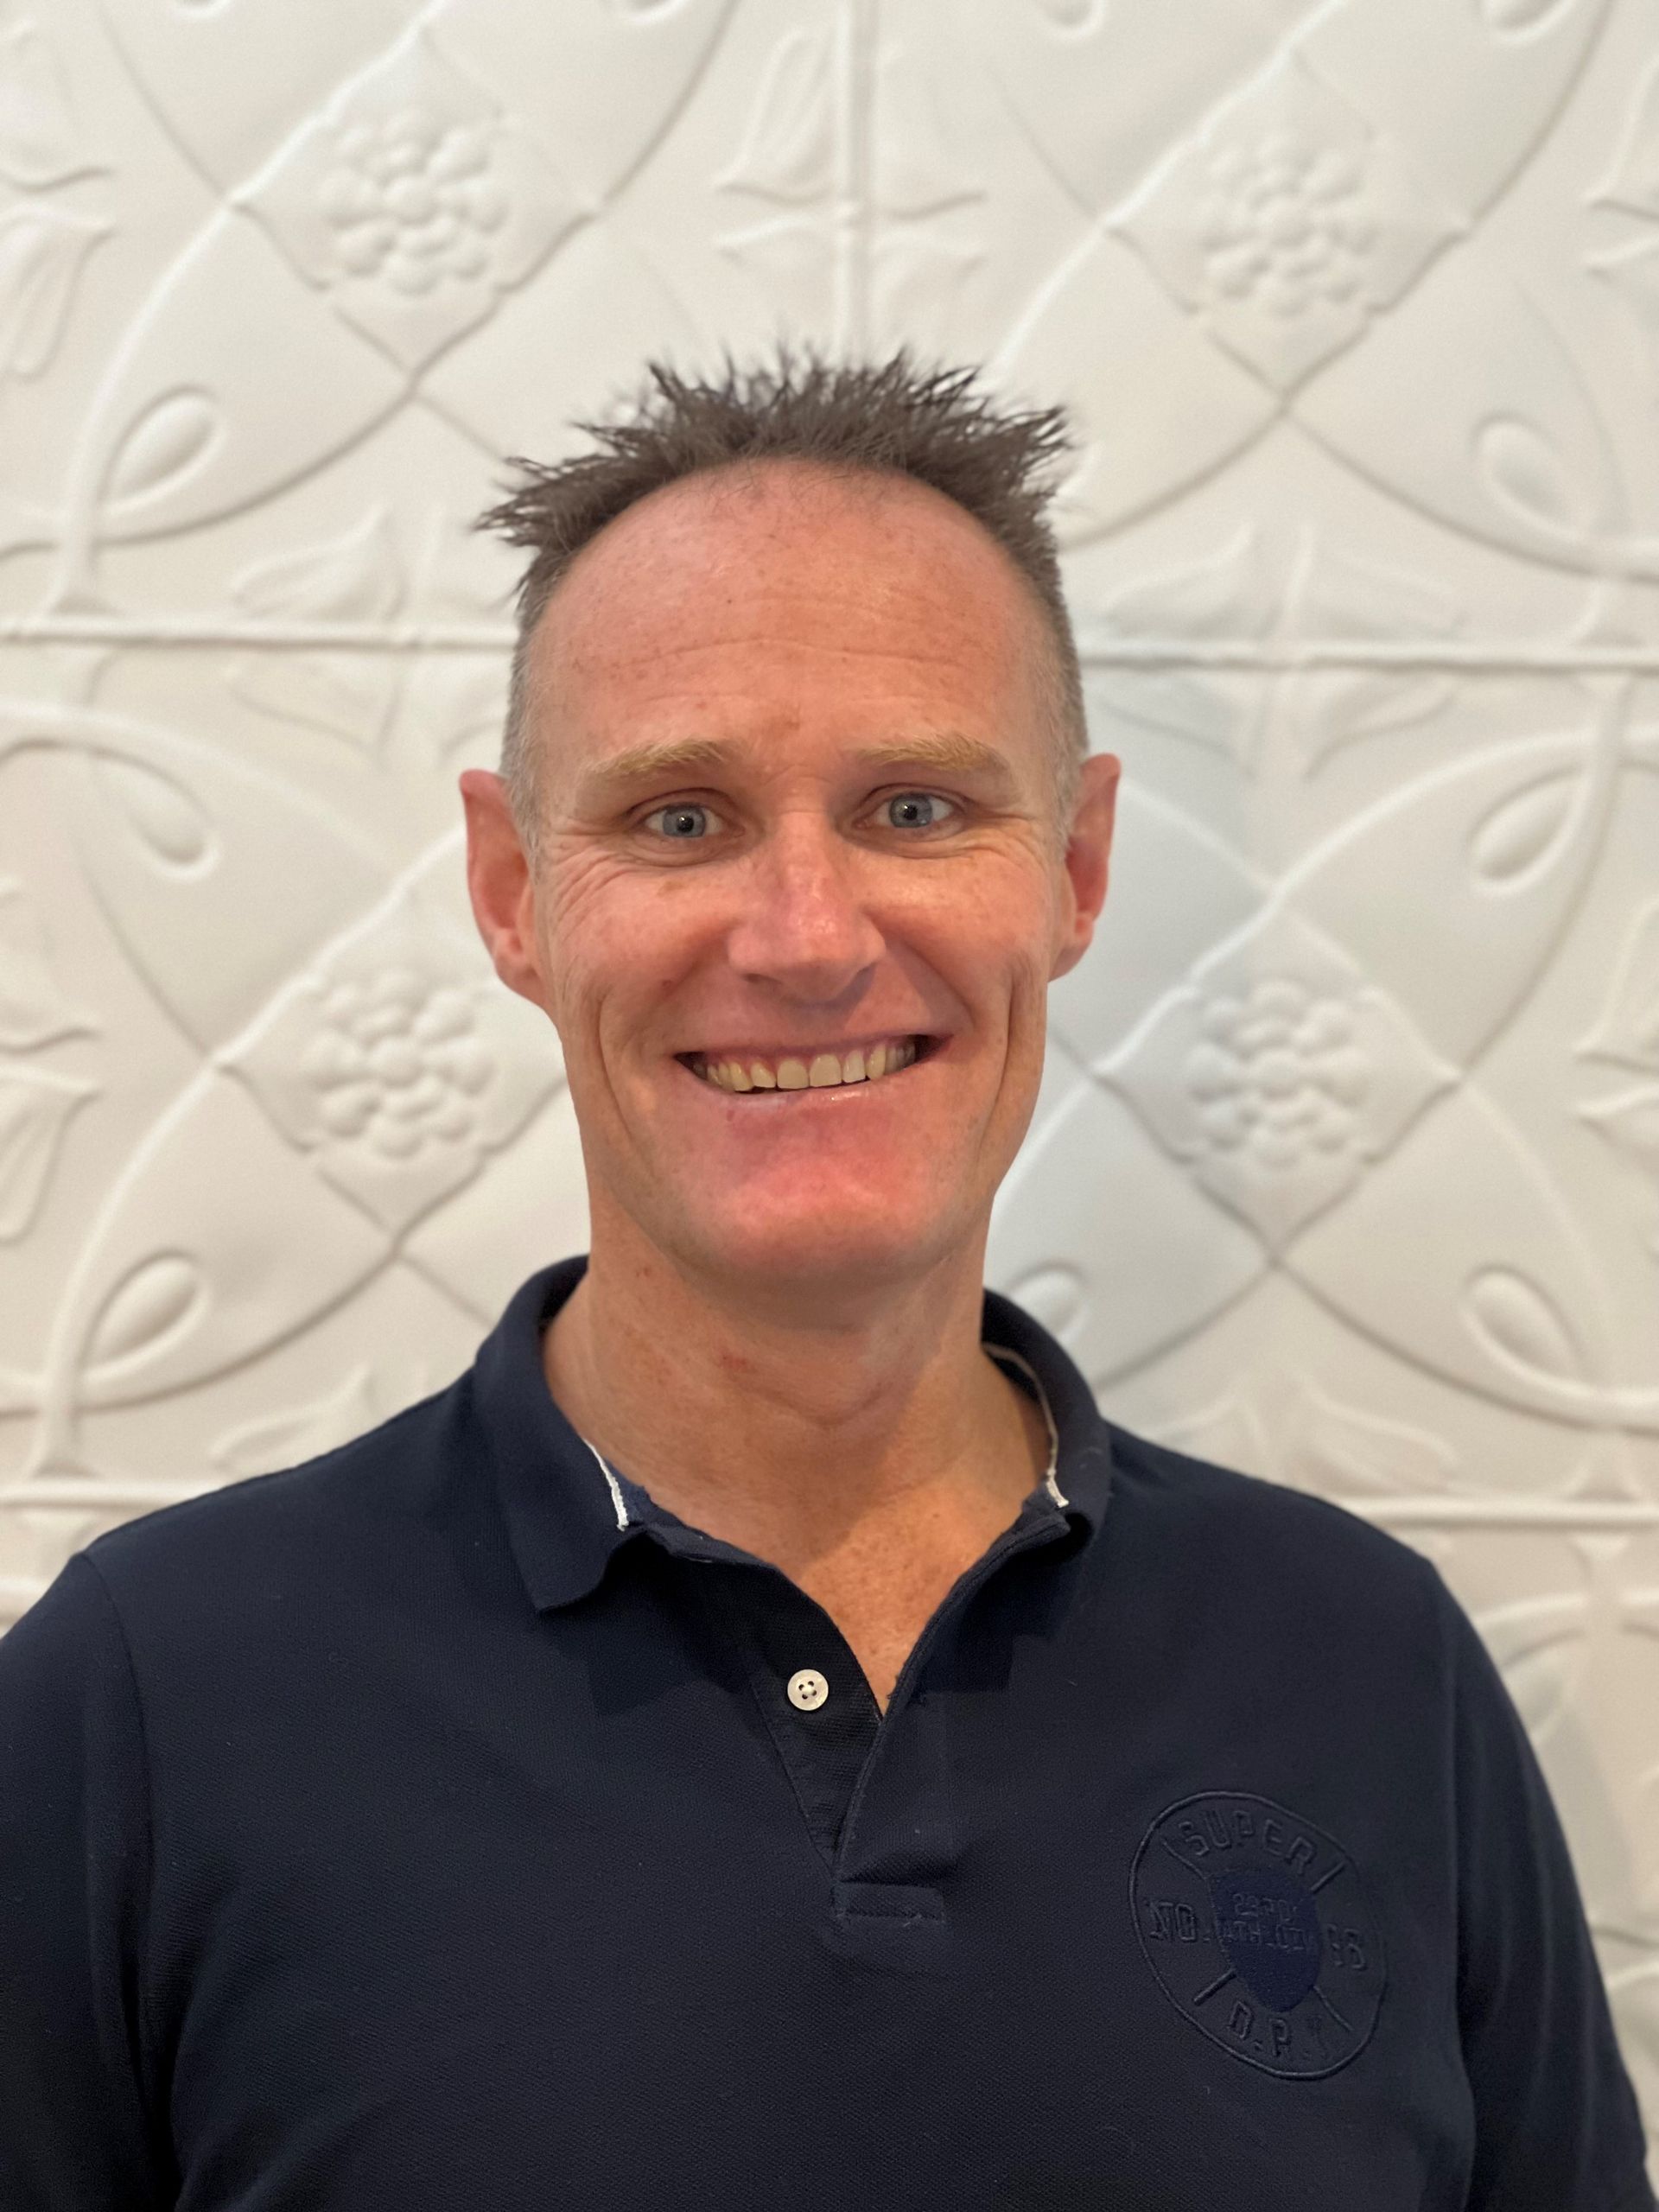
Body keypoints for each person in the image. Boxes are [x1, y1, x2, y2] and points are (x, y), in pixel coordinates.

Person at [0, 349, 1650, 2212]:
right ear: (513, 889)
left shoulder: (1369, 1672)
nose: (804, 937)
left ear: (1078, 866)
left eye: (919, 810)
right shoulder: (144, 1700)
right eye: (682, 817)